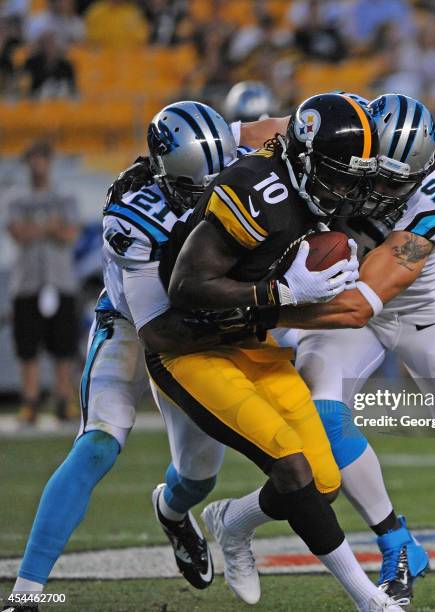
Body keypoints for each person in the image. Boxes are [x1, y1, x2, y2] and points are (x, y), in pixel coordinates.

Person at [255, 94, 435, 605]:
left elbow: (361, 304)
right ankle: (397, 543)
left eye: (394, 181)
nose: (379, 189)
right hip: (346, 298)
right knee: (323, 416)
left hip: (414, 313)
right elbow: (273, 131)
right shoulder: (352, 133)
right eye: (374, 173)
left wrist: (259, 310)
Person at [3, 103, 287, 611]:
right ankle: (28, 593)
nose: (215, 194)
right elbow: (160, 329)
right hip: (141, 323)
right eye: (199, 186)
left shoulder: (224, 147)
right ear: (166, 176)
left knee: (199, 477)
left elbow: (291, 125)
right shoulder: (131, 215)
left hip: (200, 316)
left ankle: (171, 512)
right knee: (97, 445)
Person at [151, 93, 403, 611]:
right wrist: (279, 294)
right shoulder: (254, 191)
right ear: (305, 159)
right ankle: (368, 600)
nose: (347, 189)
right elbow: (186, 284)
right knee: (292, 471)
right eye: (338, 174)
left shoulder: (314, 186)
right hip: (191, 347)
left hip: (248, 338)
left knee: (324, 482)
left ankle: (233, 523)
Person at [6, 140, 80, 424]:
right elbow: (16, 232)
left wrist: (38, 228)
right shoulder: (15, 196)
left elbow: (70, 233)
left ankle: (63, 400)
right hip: (26, 282)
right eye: (33, 158)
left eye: (42, 158)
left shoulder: (65, 195)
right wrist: (50, 227)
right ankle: (31, 402)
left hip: (60, 280)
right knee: (28, 348)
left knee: (63, 346)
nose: (38, 164)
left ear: (50, 161)